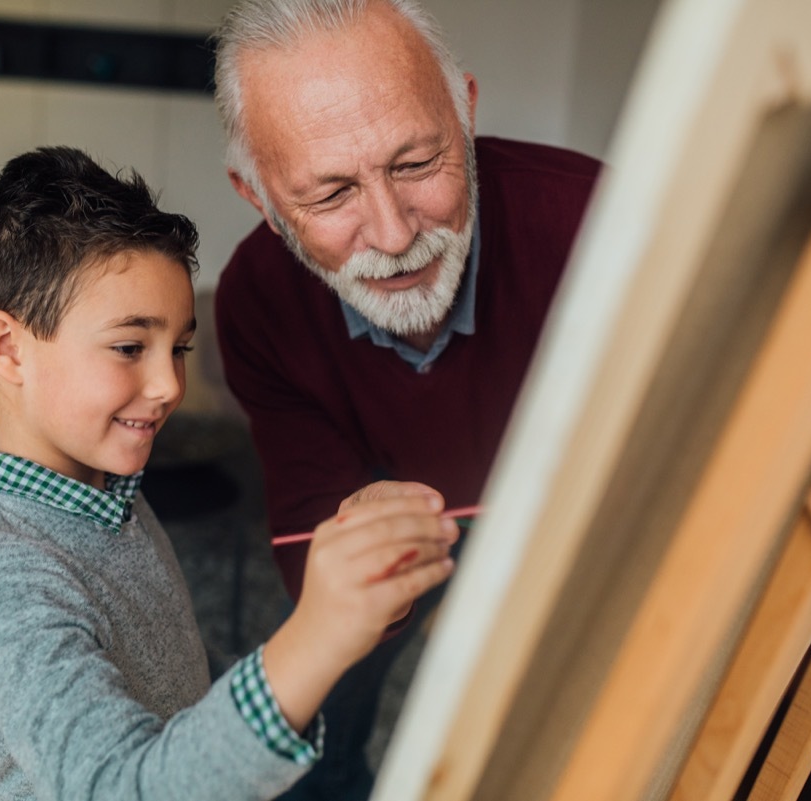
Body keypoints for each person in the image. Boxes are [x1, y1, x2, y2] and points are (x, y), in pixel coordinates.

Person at [0, 145, 458, 800]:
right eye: (129, 346)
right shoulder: (0, 581)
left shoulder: (93, 488)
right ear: (8, 347)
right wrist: (315, 636)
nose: (168, 385)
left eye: (178, 347)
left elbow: (168, 687)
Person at [211, 0, 601, 797]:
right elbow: (311, 549)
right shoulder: (255, 300)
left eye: (419, 163)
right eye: (330, 197)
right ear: (260, 199)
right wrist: (360, 566)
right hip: (390, 528)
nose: (392, 236)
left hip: (583, 528)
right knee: (327, 693)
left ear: (465, 112)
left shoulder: (595, 222)